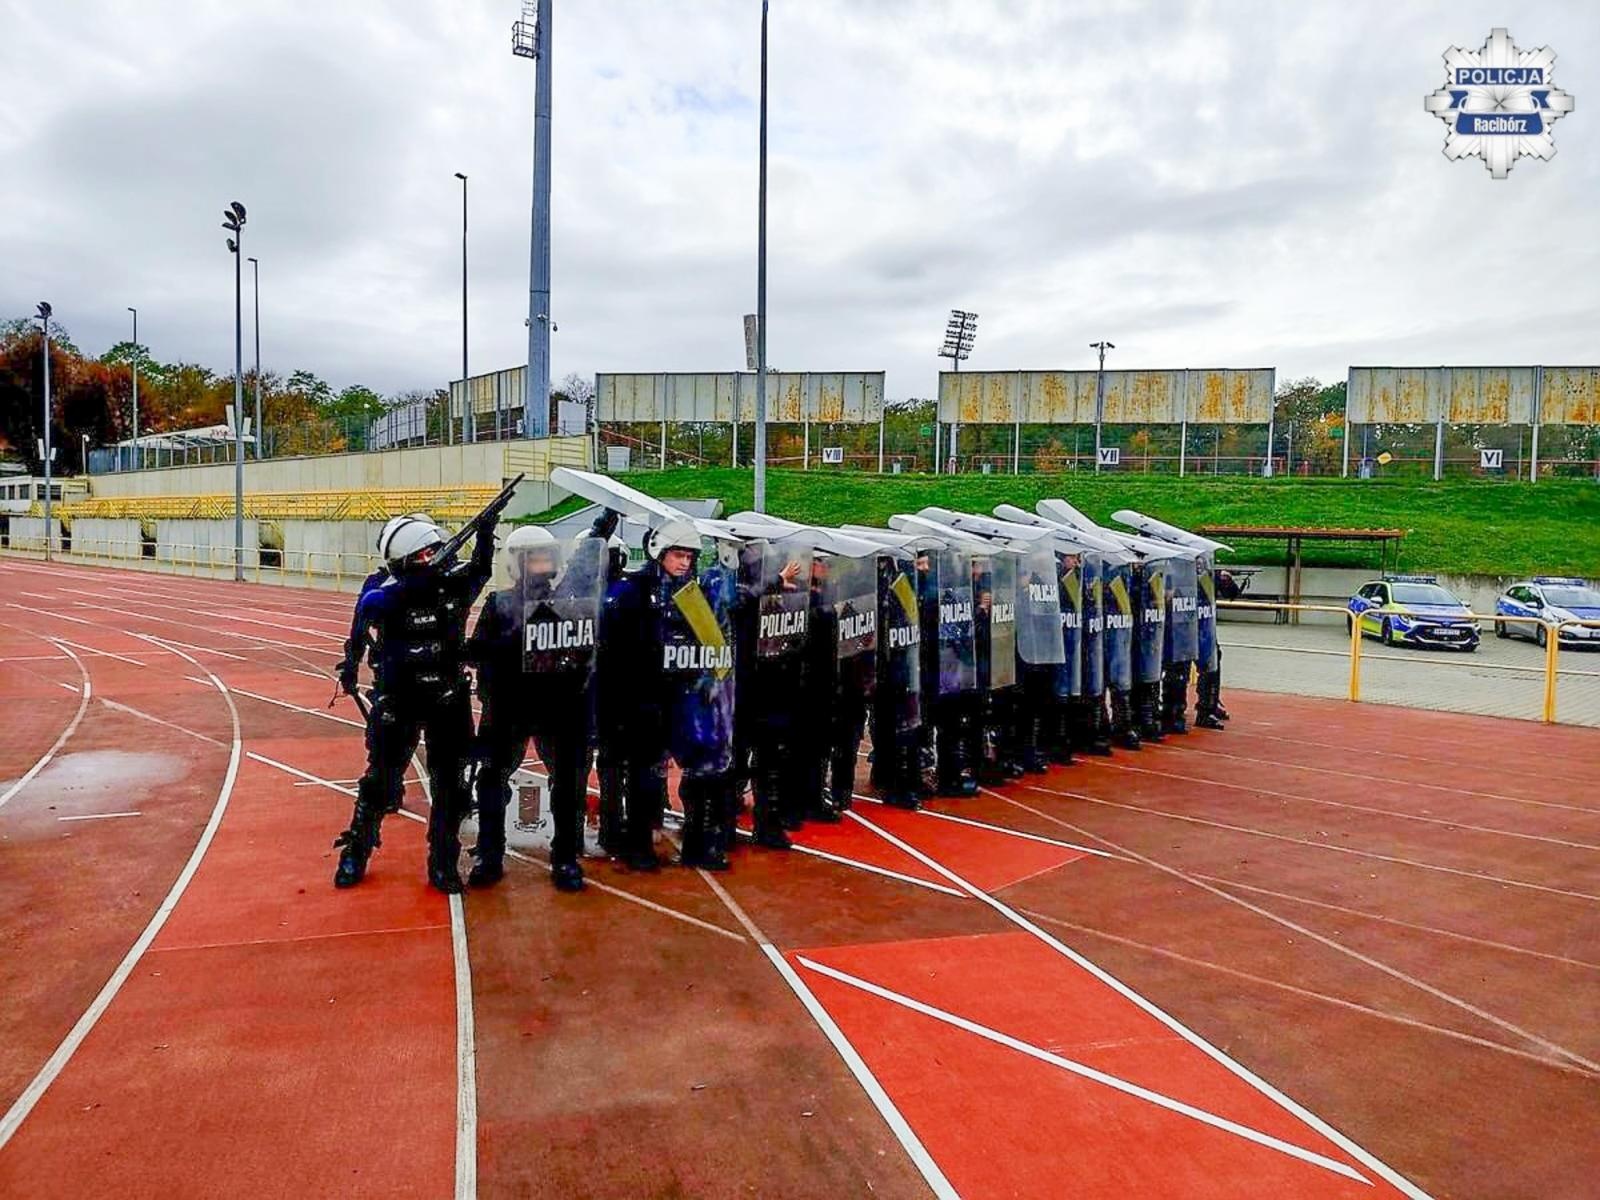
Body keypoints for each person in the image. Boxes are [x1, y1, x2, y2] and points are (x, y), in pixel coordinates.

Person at [333, 510, 498, 893]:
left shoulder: (452, 584)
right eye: (427, 553)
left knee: (451, 786)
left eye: (438, 551)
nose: (437, 557)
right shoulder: (383, 588)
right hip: (399, 699)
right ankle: (356, 850)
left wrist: (486, 536)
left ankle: (442, 861)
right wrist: (352, 663)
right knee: (380, 782)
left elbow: (481, 570)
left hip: (448, 698)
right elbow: (367, 614)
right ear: (408, 557)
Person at [466, 521, 608, 892]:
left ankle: (564, 856)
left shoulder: (568, 600)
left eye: (547, 557)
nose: (542, 565)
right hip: (508, 707)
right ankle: (489, 853)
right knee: (492, 781)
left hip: (558, 708)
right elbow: (476, 650)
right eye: (534, 559)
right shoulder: (499, 604)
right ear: (517, 563)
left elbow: (584, 567)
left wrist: (599, 530)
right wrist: (507, 645)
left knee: (569, 784)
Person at [598, 517, 737, 870]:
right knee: (645, 776)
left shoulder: (695, 593)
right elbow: (614, 645)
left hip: (686, 697)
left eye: (689, 557)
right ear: (659, 551)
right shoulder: (634, 590)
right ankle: (638, 845)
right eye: (678, 555)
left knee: (700, 773)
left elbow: (713, 642)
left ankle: (698, 844)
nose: (684, 563)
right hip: (645, 700)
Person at [869, 550, 923, 808]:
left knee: (901, 728)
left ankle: (897, 779)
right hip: (887, 669)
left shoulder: (900, 585)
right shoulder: (887, 585)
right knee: (891, 727)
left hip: (901, 666)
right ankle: (892, 781)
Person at [593, 531, 632, 857]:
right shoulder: (583, 590)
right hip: (596, 688)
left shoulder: (624, 591)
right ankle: (609, 824)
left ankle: (614, 825)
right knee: (608, 762)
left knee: (614, 761)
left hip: (616, 687)